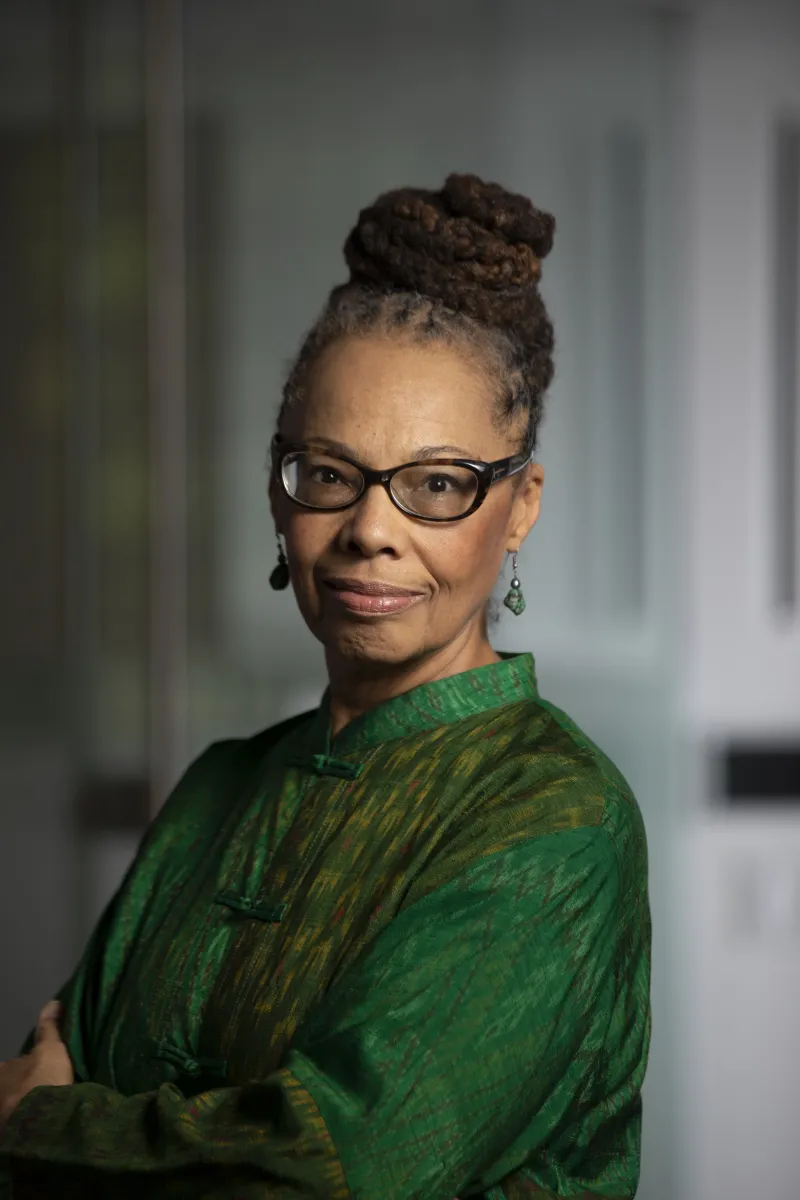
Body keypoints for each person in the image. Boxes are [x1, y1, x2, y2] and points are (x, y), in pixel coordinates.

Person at [0, 174, 650, 1199]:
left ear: (518, 505)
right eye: (330, 473)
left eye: (437, 484)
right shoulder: (218, 788)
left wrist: (41, 1126)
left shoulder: (556, 818)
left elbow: (337, 1173)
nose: (370, 529)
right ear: (280, 489)